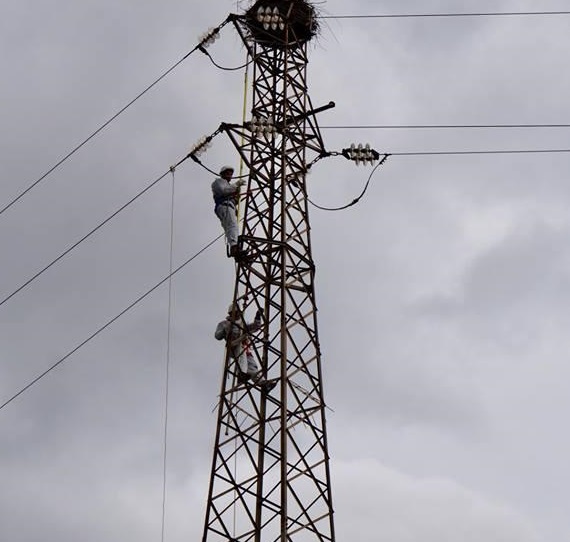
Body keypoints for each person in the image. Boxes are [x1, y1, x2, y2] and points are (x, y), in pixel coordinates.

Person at [214, 304, 277, 393]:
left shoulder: (242, 324)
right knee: (244, 362)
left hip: (244, 347)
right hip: (234, 346)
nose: (236, 314)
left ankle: (261, 382)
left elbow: (255, 327)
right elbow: (217, 336)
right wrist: (225, 329)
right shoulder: (224, 324)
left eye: (237, 312)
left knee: (252, 365)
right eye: (234, 313)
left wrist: (258, 316)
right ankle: (243, 374)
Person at [211, 165, 246, 258]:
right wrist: (237, 184)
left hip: (229, 206)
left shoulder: (229, 185)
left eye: (231, 174)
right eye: (228, 173)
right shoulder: (218, 182)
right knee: (232, 225)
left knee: (233, 226)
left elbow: (234, 200)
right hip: (224, 206)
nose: (230, 175)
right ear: (223, 174)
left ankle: (235, 245)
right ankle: (234, 247)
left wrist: (237, 196)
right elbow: (224, 191)